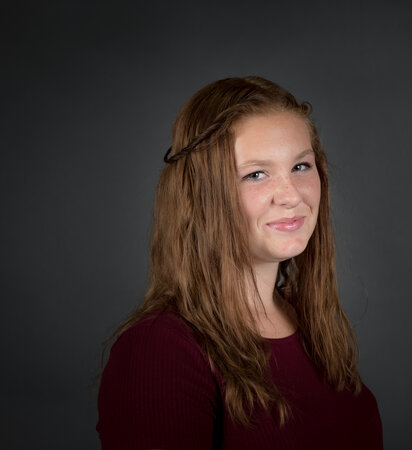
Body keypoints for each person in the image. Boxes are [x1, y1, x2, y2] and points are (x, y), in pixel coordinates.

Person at [96, 76, 383, 449]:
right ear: (202, 196)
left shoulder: (312, 326)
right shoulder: (160, 351)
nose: (291, 195)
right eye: (256, 174)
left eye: (300, 166)